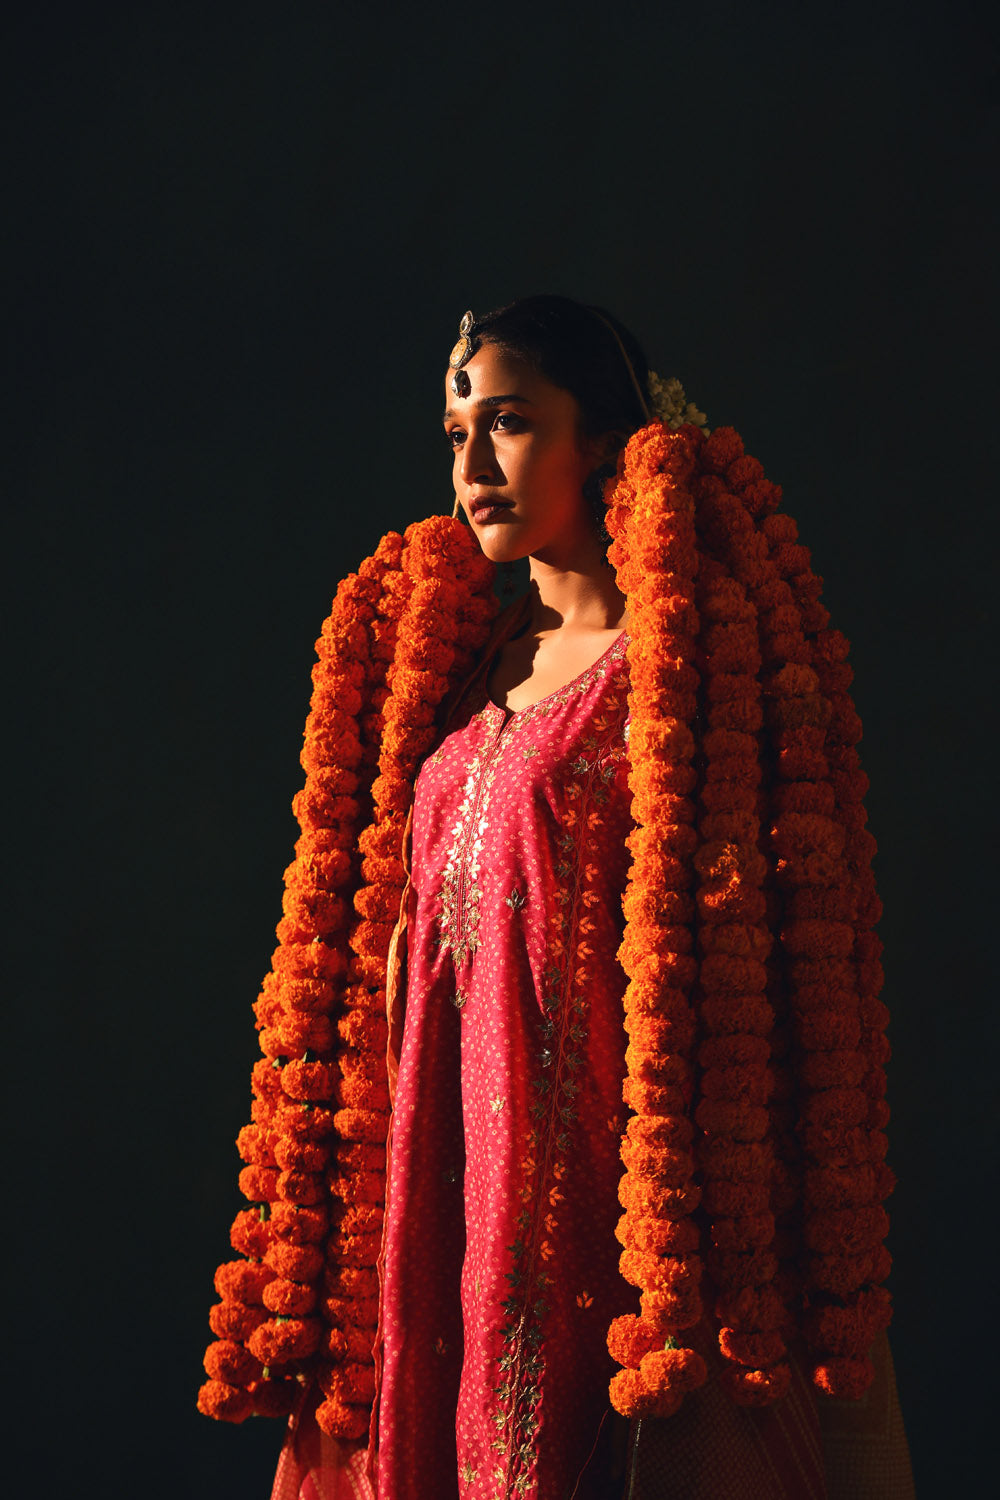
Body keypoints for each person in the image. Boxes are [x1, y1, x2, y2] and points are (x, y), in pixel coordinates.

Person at [199, 297, 915, 1499]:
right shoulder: (459, 667)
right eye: (455, 431)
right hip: (437, 1169)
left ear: (610, 443)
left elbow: (755, 968)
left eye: (513, 424)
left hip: (598, 1185)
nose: (472, 464)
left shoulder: (686, 674)